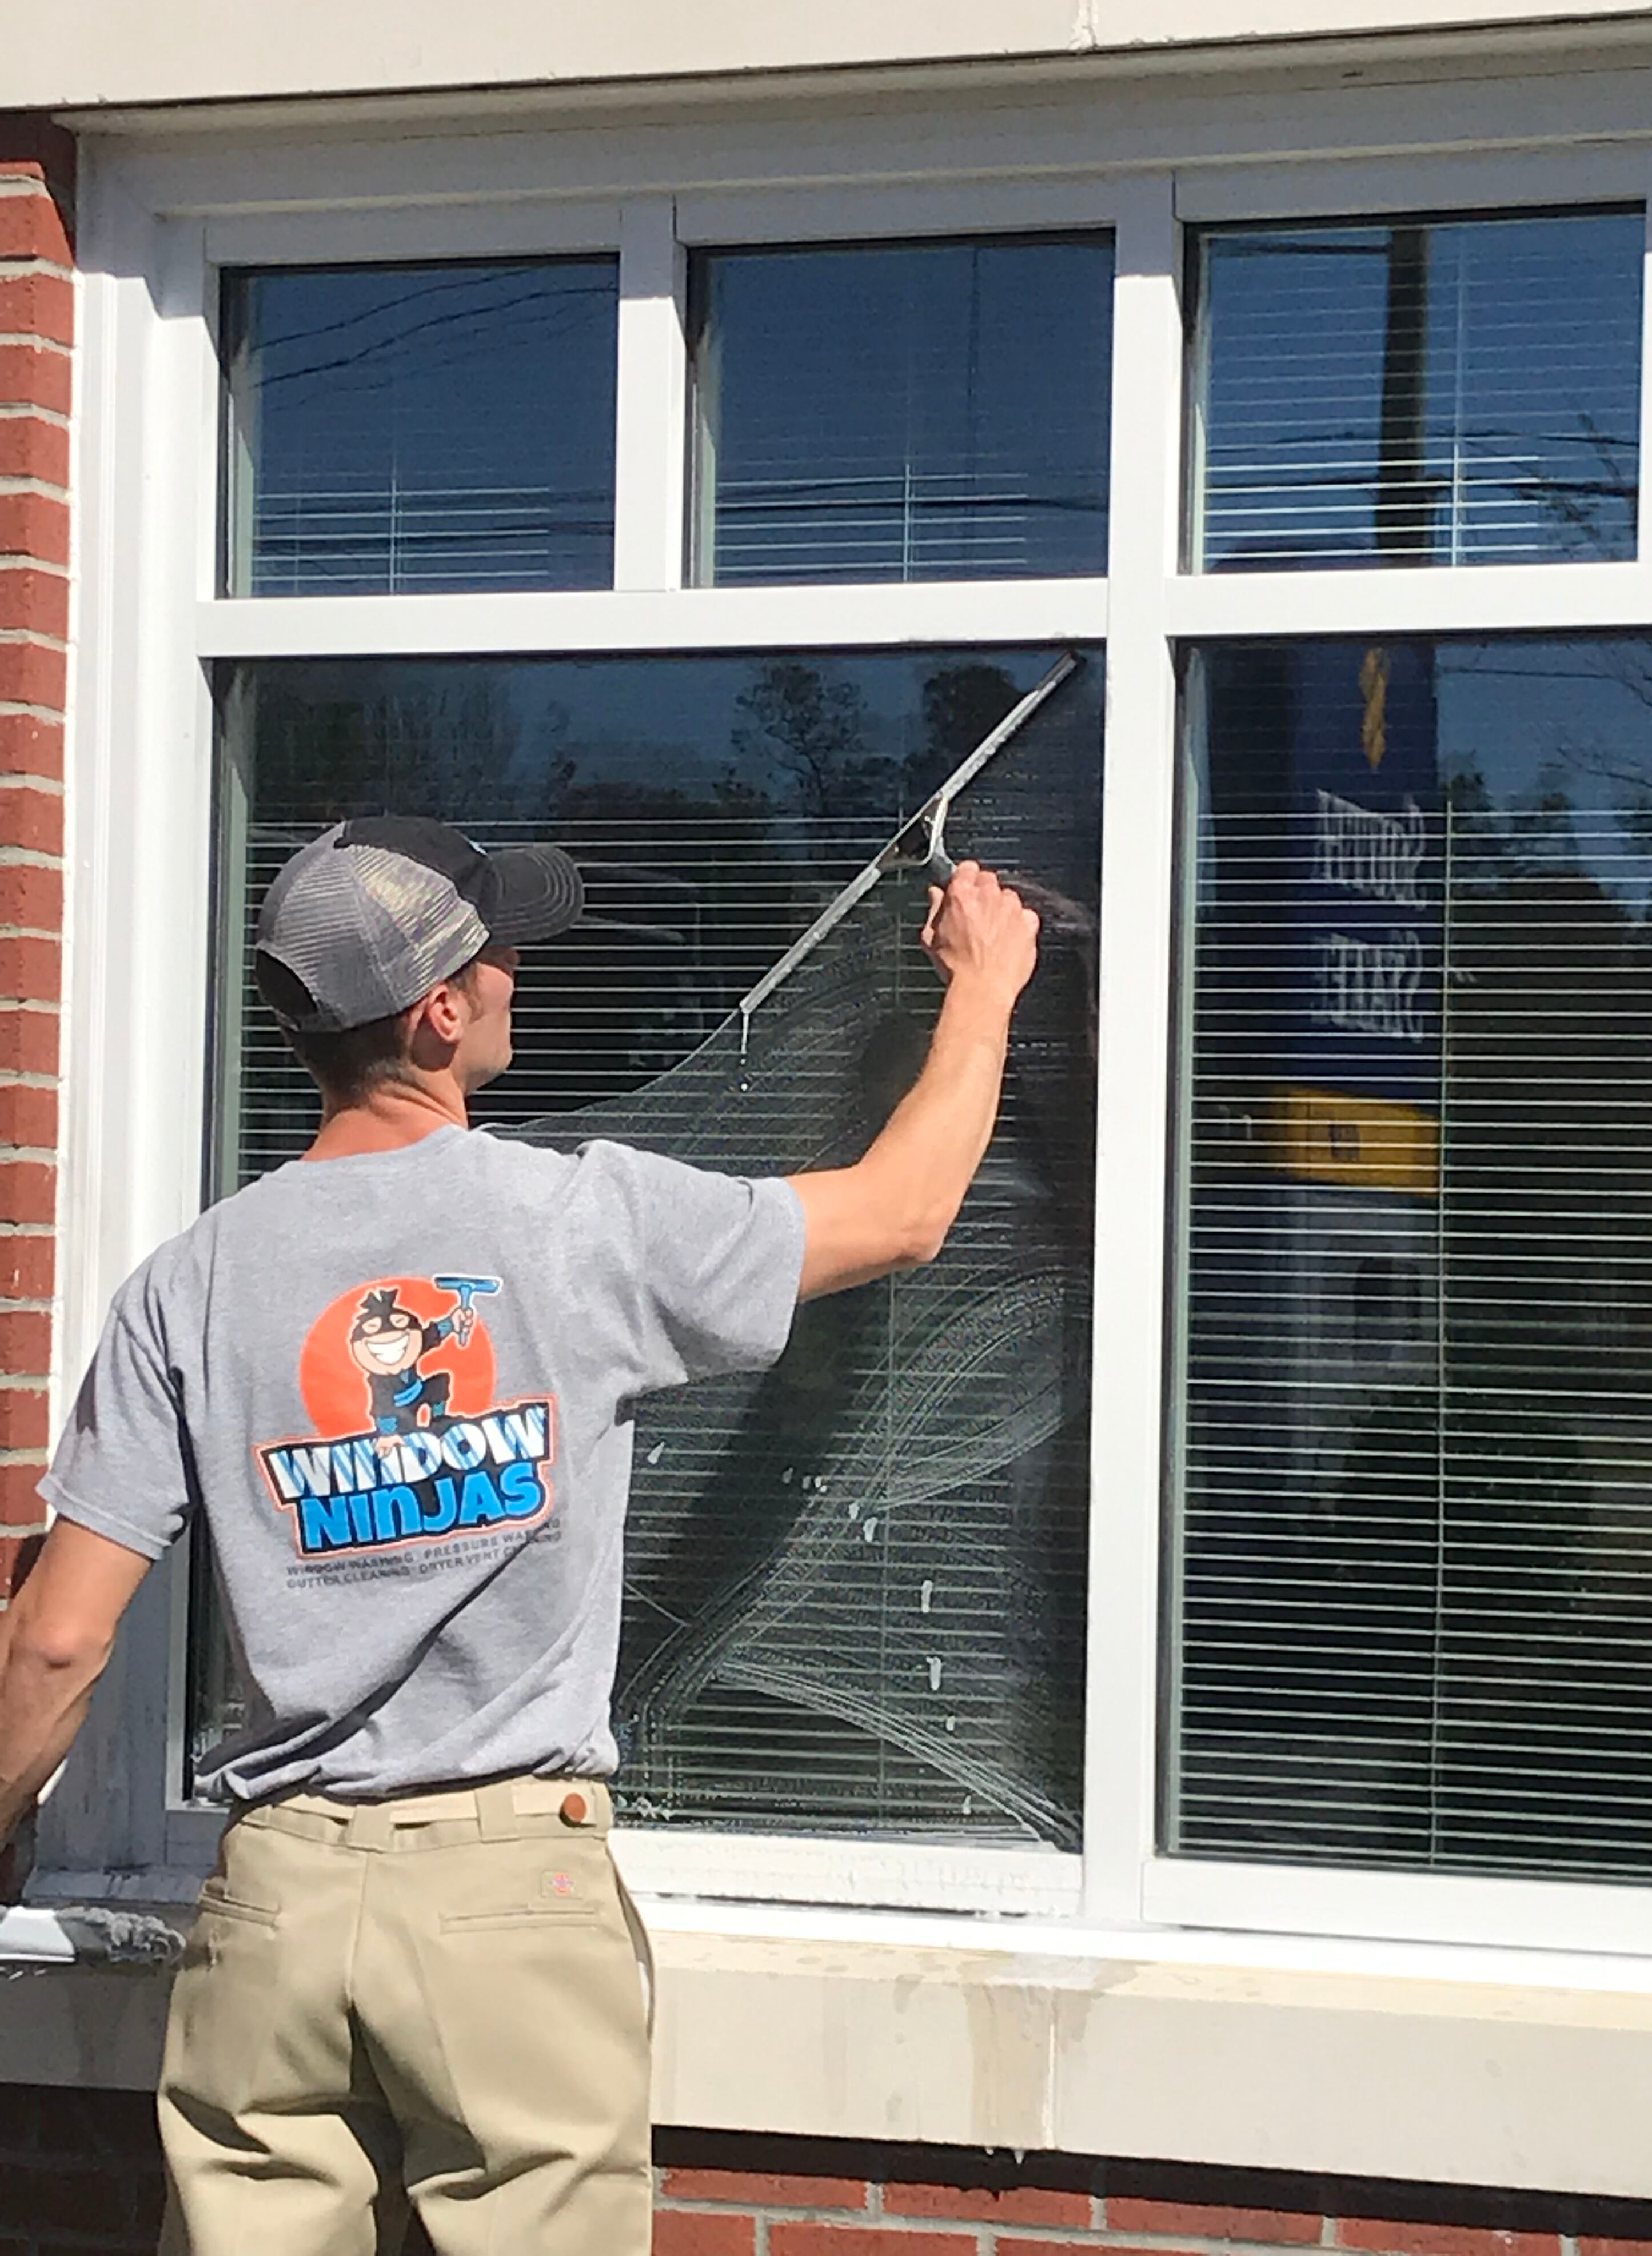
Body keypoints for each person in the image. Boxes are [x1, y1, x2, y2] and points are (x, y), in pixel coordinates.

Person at [0, 812, 1039, 2256]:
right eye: (496, 961)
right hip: (503, 1894)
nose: (516, 979)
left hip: (275, 1896)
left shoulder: (190, 1283)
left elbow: (56, 1640)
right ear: (439, 1014)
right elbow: (903, 1214)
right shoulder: (572, 1221)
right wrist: (982, 989)